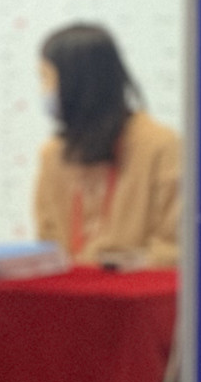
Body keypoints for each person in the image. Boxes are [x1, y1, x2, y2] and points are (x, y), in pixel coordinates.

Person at [32, 24, 180, 268]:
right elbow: (47, 245)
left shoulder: (161, 146)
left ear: (76, 81)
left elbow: (174, 249)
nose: (44, 91)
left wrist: (117, 265)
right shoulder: (53, 154)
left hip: (137, 289)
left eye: (46, 78)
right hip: (68, 289)